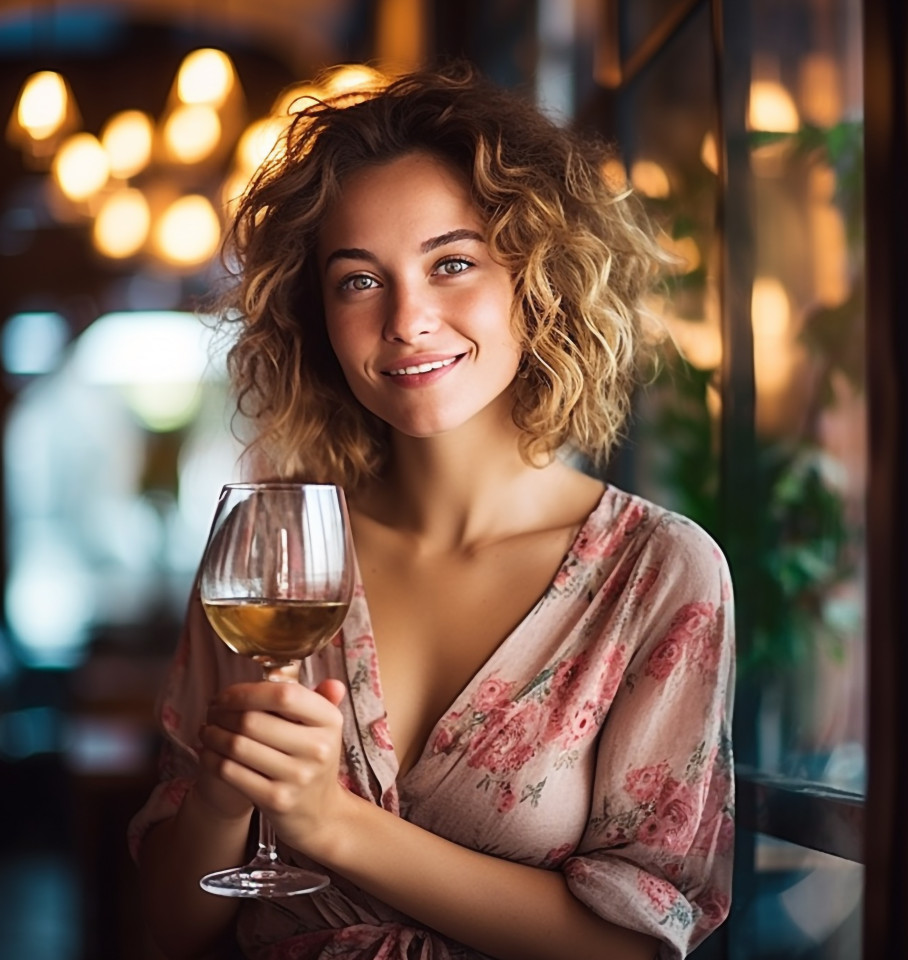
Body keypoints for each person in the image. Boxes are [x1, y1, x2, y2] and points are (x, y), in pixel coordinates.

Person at [129, 64, 735, 960]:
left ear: (540, 280)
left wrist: (334, 825)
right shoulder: (270, 562)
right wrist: (223, 800)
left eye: (451, 264)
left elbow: (638, 949)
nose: (408, 319)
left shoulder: (659, 574)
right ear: (317, 317)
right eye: (358, 281)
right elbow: (152, 938)